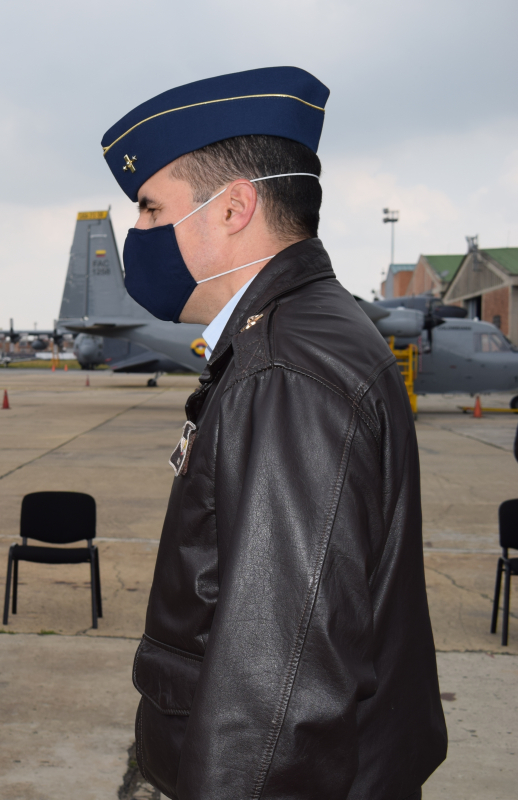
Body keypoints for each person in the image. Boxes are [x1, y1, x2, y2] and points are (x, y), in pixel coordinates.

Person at [101, 67, 446, 797]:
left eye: (151, 209)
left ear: (232, 209)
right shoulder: (303, 337)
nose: (139, 234)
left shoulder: (287, 370)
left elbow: (280, 679)